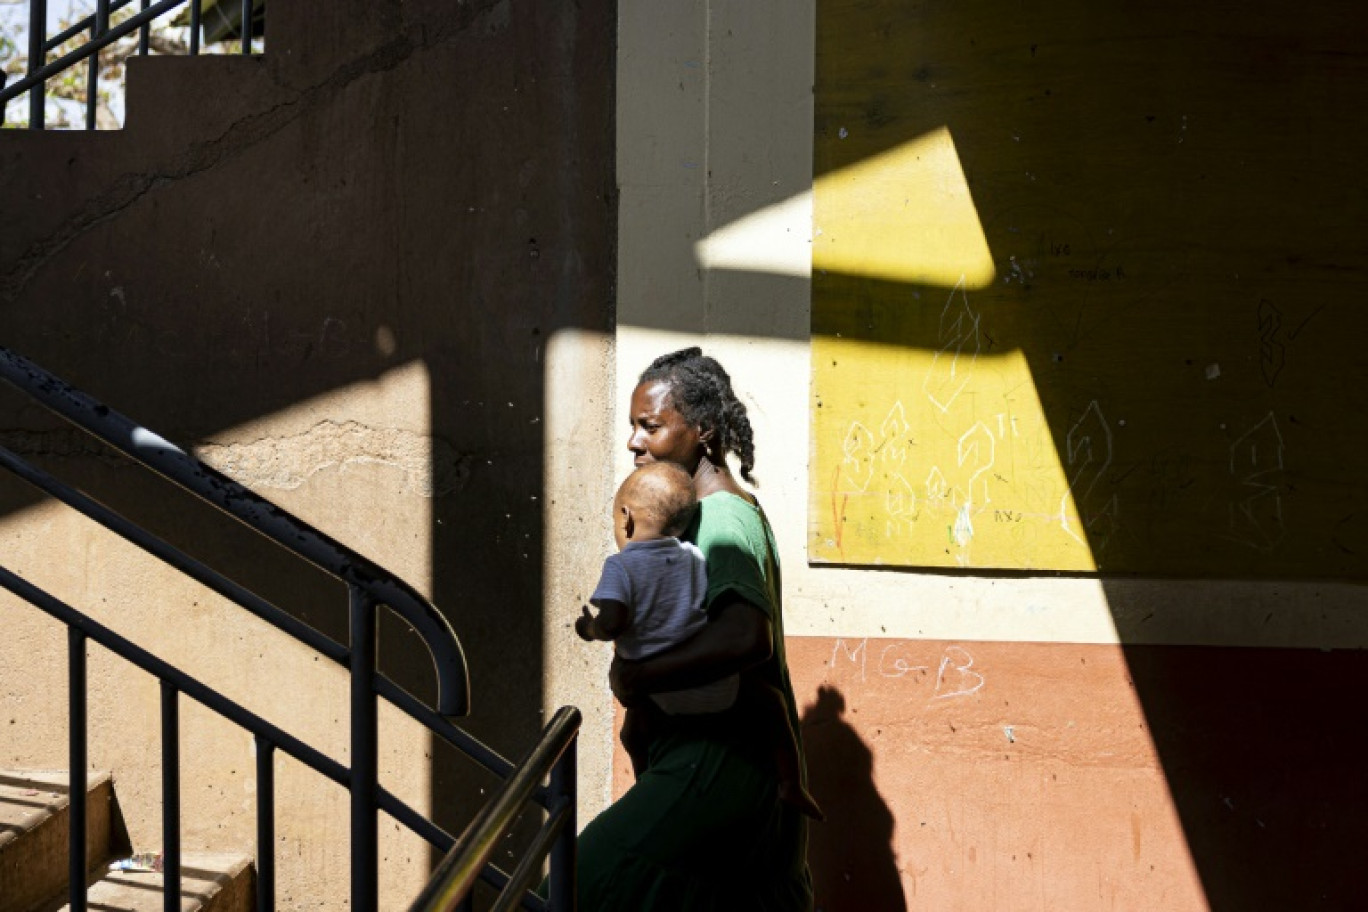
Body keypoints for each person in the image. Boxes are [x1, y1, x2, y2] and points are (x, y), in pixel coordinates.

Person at [574, 347, 815, 911]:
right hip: (699, 753)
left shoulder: (725, 518)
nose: (634, 442)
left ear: (702, 430)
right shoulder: (690, 518)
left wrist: (638, 675)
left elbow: (745, 636)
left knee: (586, 876)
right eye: (634, 427)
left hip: (717, 760)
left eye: (650, 426)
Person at [577, 461, 823, 820]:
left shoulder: (620, 566)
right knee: (771, 703)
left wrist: (590, 629)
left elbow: (613, 622)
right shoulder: (692, 556)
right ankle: (791, 783)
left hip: (654, 693)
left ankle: (648, 788)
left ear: (626, 519)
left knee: (632, 734)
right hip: (711, 685)